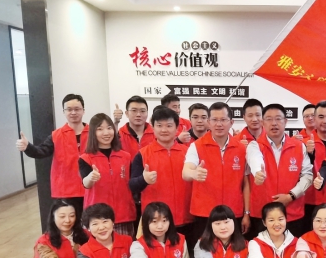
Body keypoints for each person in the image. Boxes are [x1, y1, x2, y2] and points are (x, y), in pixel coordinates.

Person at [183, 102, 251, 240]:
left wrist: (247, 213)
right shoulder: (196, 146)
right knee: (204, 251)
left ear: (231, 122)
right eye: (214, 120)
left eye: (223, 120)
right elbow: (185, 172)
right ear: (209, 122)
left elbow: (246, 184)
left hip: (233, 213)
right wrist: (193, 173)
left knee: (233, 251)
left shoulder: (241, 149)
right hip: (204, 213)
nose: (219, 124)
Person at [246, 103, 313, 238]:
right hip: (263, 214)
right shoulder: (255, 145)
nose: (274, 123)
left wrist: (291, 196)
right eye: (269, 119)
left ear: (285, 121)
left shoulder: (299, 146)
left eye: (278, 118)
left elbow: (308, 175)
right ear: (263, 122)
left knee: (292, 250)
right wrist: (258, 172)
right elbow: (255, 159)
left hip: (292, 213)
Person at [16, 94, 88, 214]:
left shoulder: (94, 133)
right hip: (66, 191)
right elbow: (41, 151)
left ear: (83, 111)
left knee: (91, 222)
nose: (73, 112)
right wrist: (28, 147)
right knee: (69, 222)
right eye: (69, 109)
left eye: (77, 109)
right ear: (64, 112)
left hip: (91, 188)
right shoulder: (56, 135)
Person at [129, 107, 194, 238]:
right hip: (157, 223)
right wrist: (143, 180)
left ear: (177, 128)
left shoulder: (189, 153)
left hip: (188, 219)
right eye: (159, 126)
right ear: (153, 127)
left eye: (169, 126)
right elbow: (132, 185)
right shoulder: (143, 154)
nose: (164, 130)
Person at [79, 113, 136, 238]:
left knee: (124, 248)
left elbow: (132, 182)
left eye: (109, 128)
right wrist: (91, 178)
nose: (106, 133)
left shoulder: (125, 156)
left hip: (123, 215)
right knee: (98, 250)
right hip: (97, 218)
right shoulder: (86, 158)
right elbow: (85, 183)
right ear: (93, 132)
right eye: (100, 129)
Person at [302, 100, 326, 233]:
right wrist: (307, 153)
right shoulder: (303, 144)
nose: (325, 121)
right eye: (321, 117)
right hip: (309, 201)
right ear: (315, 118)